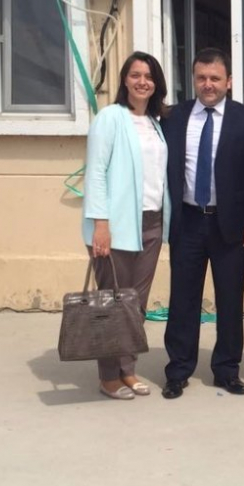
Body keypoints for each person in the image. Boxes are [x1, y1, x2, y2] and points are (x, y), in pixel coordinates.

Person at [161, 48, 244, 399]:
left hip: (231, 226)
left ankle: (227, 370)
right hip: (188, 221)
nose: (208, 84)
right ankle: (178, 370)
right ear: (194, 79)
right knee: (183, 300)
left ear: (229, 81)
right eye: (202, 78)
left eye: (215, 78)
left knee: (230, 301)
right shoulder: (174, 118)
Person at [82, 51, 169, 400]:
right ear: (124, 80)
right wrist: (100, 224)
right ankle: (108, 377)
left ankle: (127, 369)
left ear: (156, 83)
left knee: (136, 304)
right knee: (111, 303)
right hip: (115, 226)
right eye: (135, 75)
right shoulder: (110, 118)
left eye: (149, 76)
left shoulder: (155, 123)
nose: (142, 81)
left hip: (151, 223)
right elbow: (95, 172)